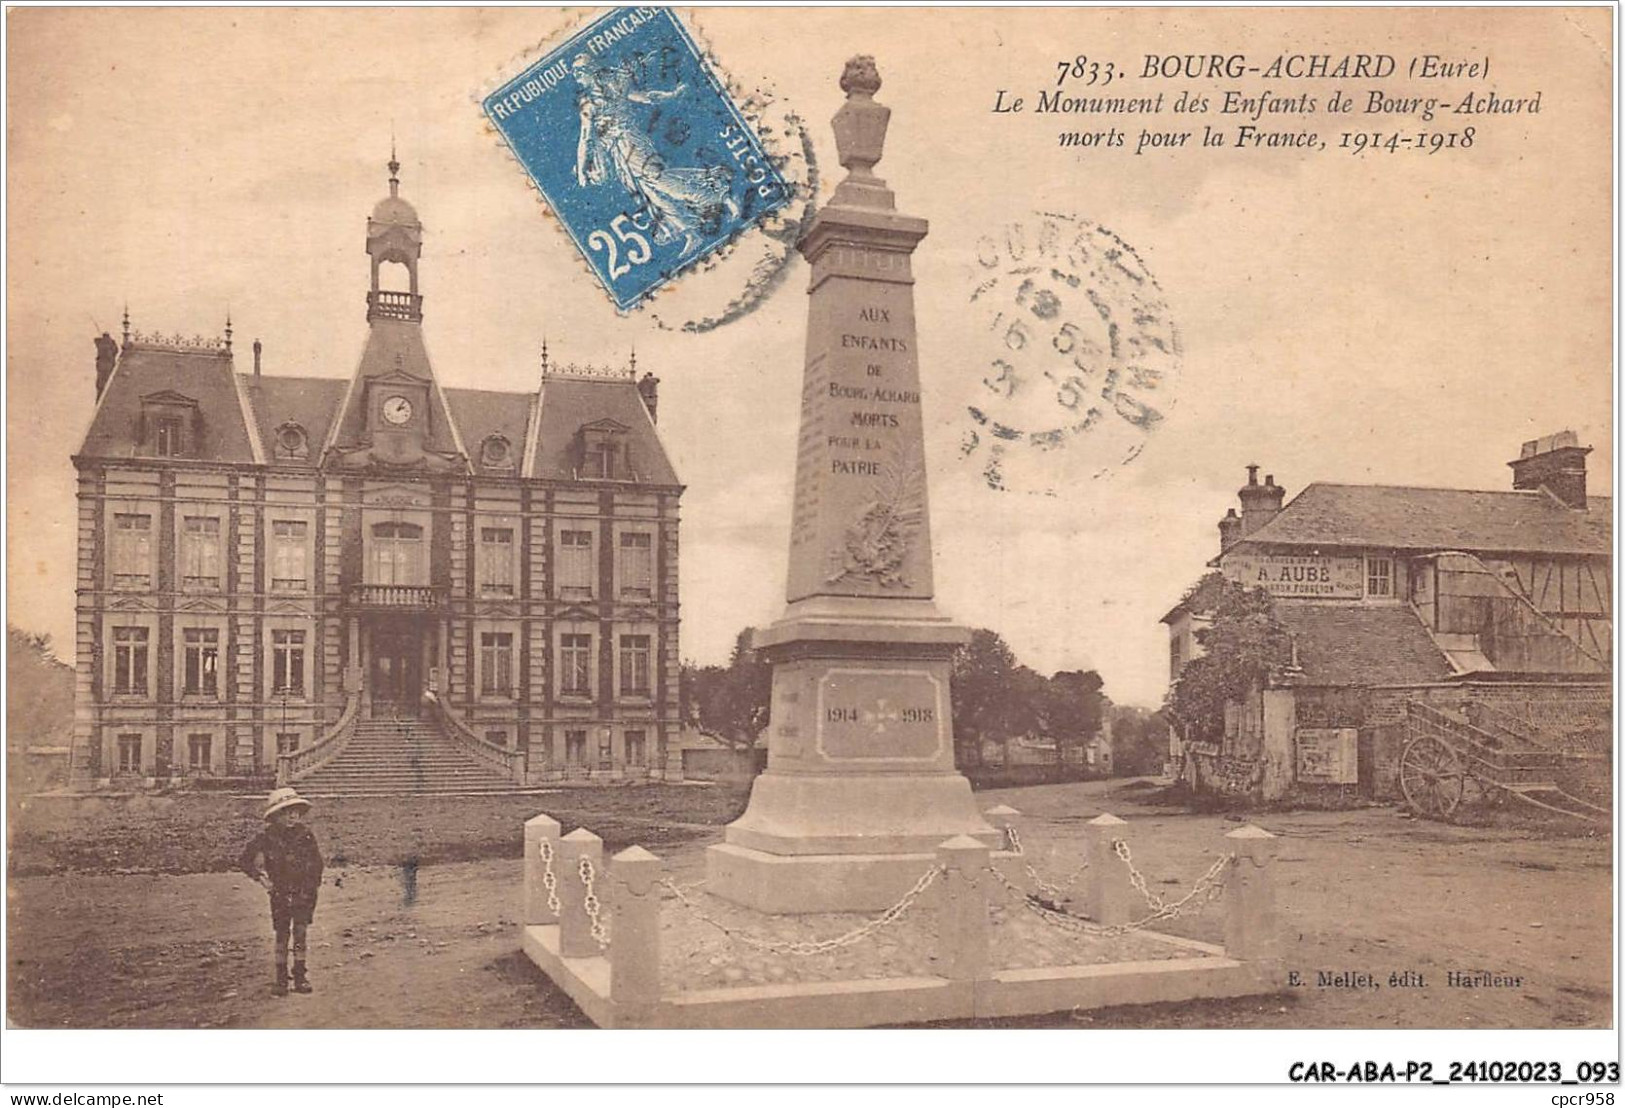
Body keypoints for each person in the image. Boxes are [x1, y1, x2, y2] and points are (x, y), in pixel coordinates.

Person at [239, 787, 325, 996]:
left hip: (304, 892)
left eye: (295, 811)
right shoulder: (267, 838)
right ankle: (280, 978)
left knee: (301, 932)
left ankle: (300, 975)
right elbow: (245, 860)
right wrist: (262, 879)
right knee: (282, 934)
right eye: (286, 812)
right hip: (279, 892)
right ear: (275, 816)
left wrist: (311, 886)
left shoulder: (305, 836)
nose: (292, 816)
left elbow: (317, 864)